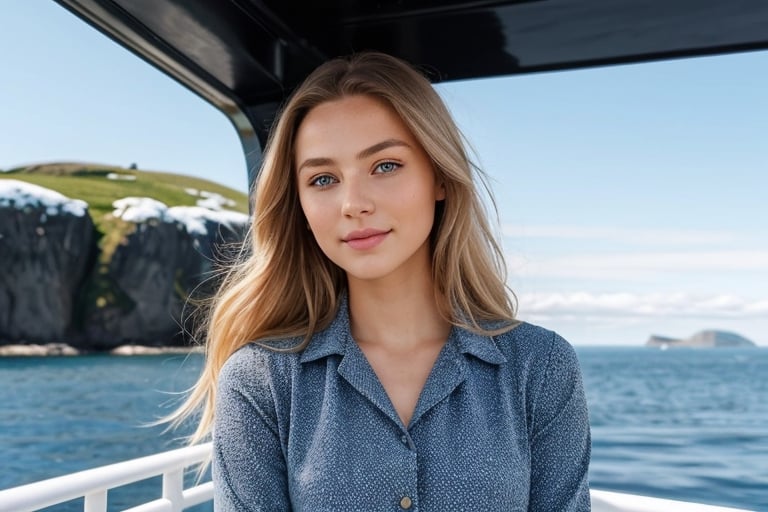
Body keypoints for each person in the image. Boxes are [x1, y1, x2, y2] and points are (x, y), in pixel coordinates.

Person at [172, 51, 591, 511]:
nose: (354, 203)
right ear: (301, 205)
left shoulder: (541, 367)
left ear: (441, 177)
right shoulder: (261, 382)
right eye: (324, 178)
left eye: (385, 166)